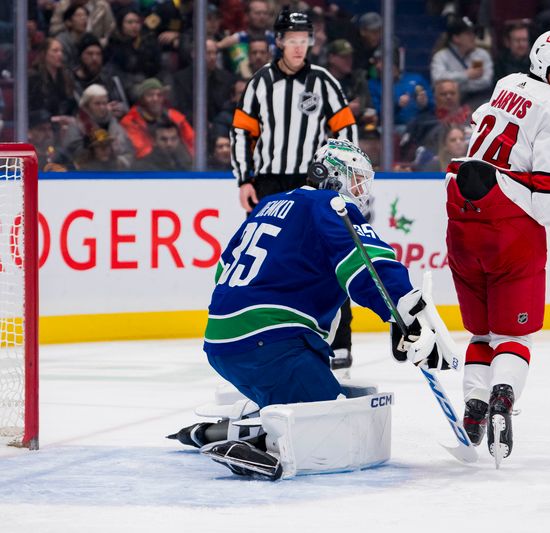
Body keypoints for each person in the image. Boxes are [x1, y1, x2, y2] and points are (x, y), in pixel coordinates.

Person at [170, 139, 453, 479]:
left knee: (307, 406)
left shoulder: (270, 204)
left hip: (224, 342)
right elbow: (368, 263)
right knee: (331, 428)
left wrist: (394, 314)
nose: (362, 191)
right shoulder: (329, 203)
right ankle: (263, 445)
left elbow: (224, 270)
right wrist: (409, 314)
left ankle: (214, 433)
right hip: (272, 343)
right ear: (333, 175)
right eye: (357, 180)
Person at [444, 30, 550, 463]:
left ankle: (475, 405)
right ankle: (502, 397)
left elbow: (482, 125)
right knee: (514, 335)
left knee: (480, 333)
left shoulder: (505, 85)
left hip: (461, 221)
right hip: (509, 227)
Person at [230, 7, 358, 374]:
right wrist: (244, 179)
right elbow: (241, 132)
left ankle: (339, 341)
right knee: (268, 260)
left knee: (328, 256)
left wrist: (339, 177)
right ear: (280, 41)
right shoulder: (259, 83)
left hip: (311, 181)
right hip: (269, 182)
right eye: (293, 41)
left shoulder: (324, 82)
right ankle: (266, 336)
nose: (299, 48)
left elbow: (345, 130)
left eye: (305, 41)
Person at [120, 77, 195, 160]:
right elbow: (142, 151)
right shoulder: (130, 121)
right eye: (150, 95)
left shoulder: (175, 116)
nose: (155, 99)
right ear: (141, 99)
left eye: (159, 95)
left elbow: (192, 142)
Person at [430, 15, 494, 109]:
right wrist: (466, 75)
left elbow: (486, 81)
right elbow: (438, 78)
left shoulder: (482, 55)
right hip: (449, 103)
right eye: (468, 34)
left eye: (473, 33)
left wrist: (455, 86)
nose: (473, 37)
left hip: (477, 100)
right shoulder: (441, 56)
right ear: (456, 38)